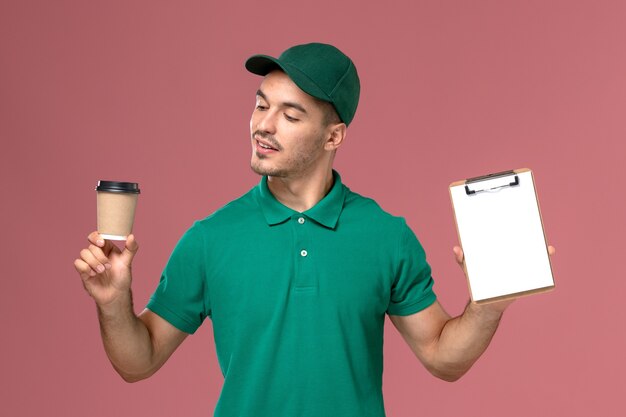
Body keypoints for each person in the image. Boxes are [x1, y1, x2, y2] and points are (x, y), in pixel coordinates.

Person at [74, 43, 555, 417]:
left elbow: (441, 357)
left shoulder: (385, 235)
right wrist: (115, 303)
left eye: (290, 114)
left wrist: (488, 306)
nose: (264, 125)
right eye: (261, 105)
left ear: (334, 135)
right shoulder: (209, 238)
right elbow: (139, 361)